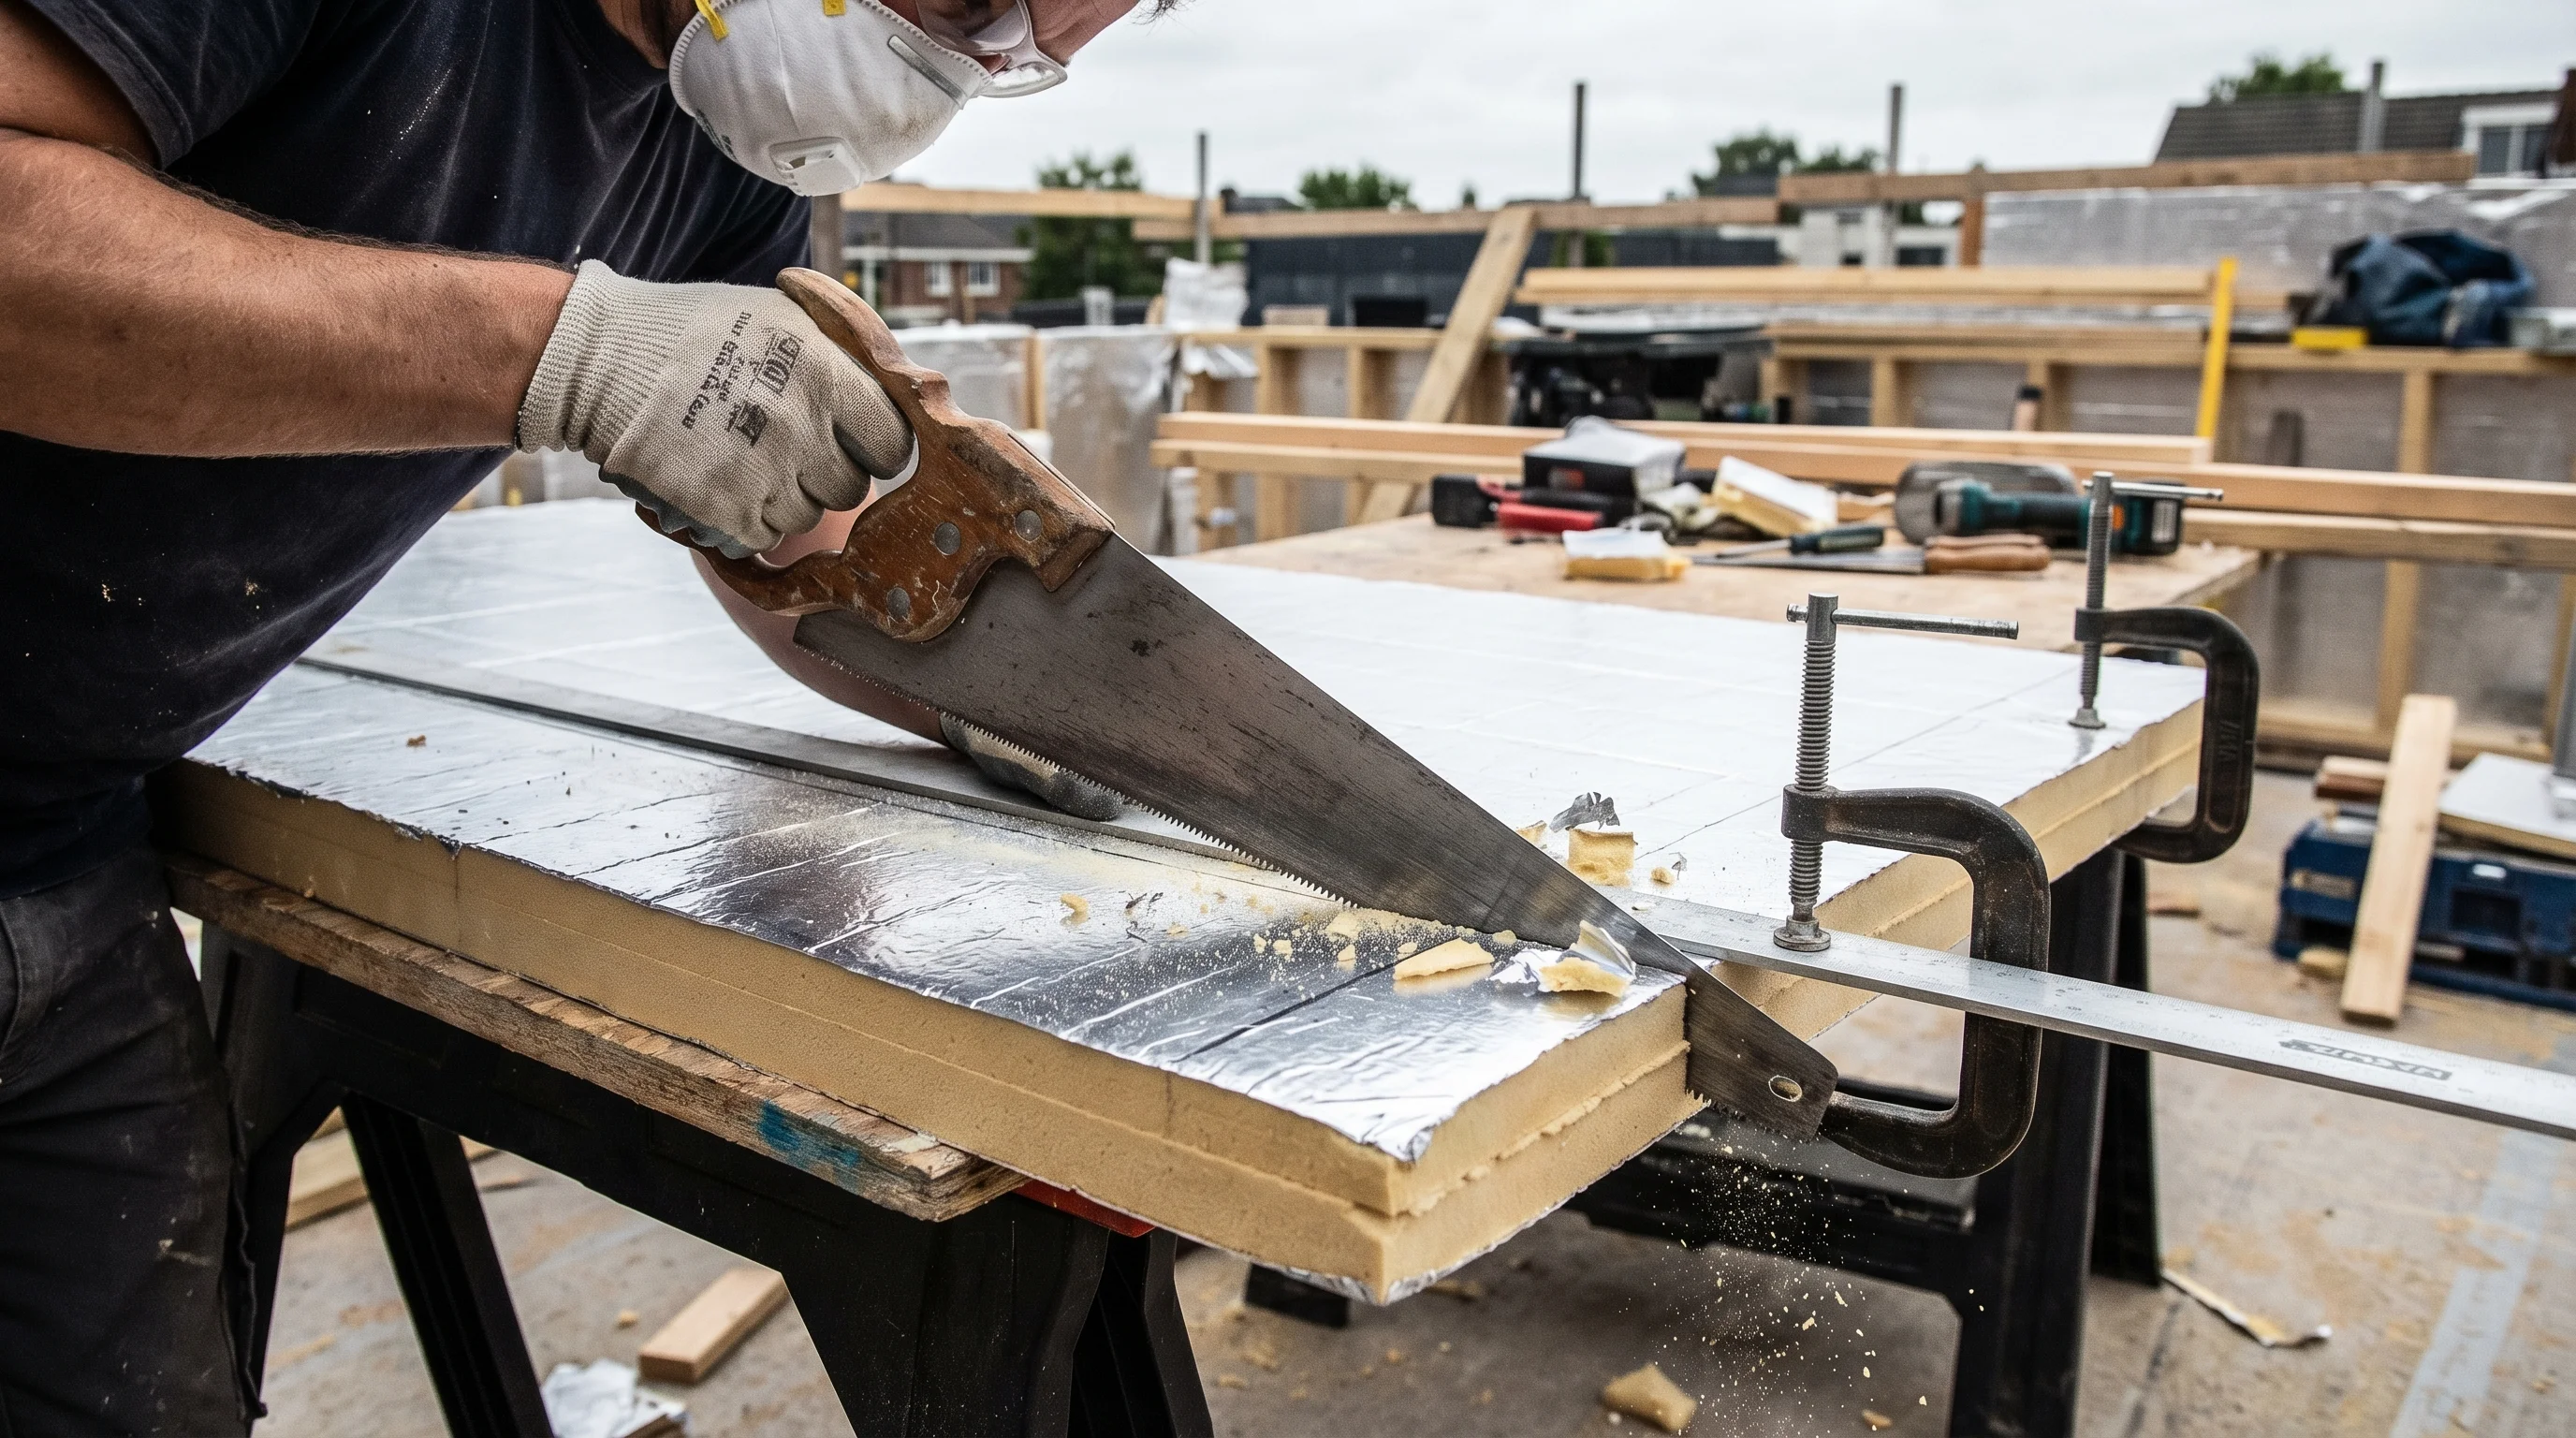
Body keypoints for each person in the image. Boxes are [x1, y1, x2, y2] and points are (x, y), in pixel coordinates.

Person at [0, 0, 1147, 1429]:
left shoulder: (722, 151)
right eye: (968, 6)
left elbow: (784, 543)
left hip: (53, 849)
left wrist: (989, 668)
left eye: (1021, 56)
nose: (959, 73)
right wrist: (562, 351)